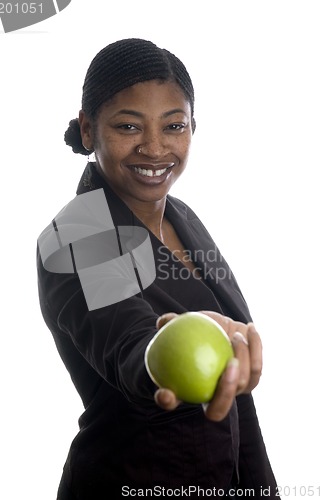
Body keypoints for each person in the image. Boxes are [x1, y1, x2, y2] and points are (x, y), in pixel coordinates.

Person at [37, 38, 280, 499]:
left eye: (173, 126)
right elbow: (127, 344)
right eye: (129, 126)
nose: (154, 148)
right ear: (89, 130)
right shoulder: (77, 234)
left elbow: (236, 404)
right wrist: (164, 351)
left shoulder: (182, 218)